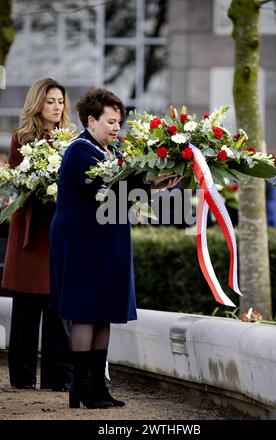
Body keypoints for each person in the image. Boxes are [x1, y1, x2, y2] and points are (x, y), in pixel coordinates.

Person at [50, 88, 181, 409]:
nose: (116, 128)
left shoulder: (106, 150)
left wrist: (157, 183)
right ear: (91, 121)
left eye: (118, 122)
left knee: (104, 311)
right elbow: (109, 183)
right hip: (83, 242)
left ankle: (96, 387)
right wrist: (149, 182)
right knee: (85, 310)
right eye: (110, 121)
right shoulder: (80, 150)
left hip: (106, 240)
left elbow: (123, 188)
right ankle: (82, 387)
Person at [1, 78, 75, 390]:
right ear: (38, 104)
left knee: (56, 306)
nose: (57, 107)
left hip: (58, 230)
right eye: (50, 101)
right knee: (26, 308)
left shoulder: (71, 138)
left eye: (60, 101)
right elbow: (19, 182)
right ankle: (21, 378)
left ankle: (58, 379)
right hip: (31, 230)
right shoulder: (22, 137)